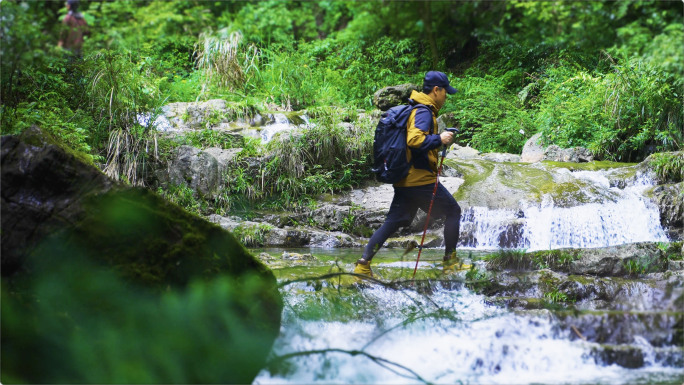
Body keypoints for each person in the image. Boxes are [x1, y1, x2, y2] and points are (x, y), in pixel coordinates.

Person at [354, 71, 463, 277]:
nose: (446, 96)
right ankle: (450, 262)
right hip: (420, 180)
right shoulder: (423, 111)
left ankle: (363, 264)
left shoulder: (416, 108)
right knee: (453, 212)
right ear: (436, 90)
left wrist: (437, 141)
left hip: (406, 178)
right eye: (445, 92)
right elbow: (415, 141)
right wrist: (439, 138)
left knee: (395, 221)